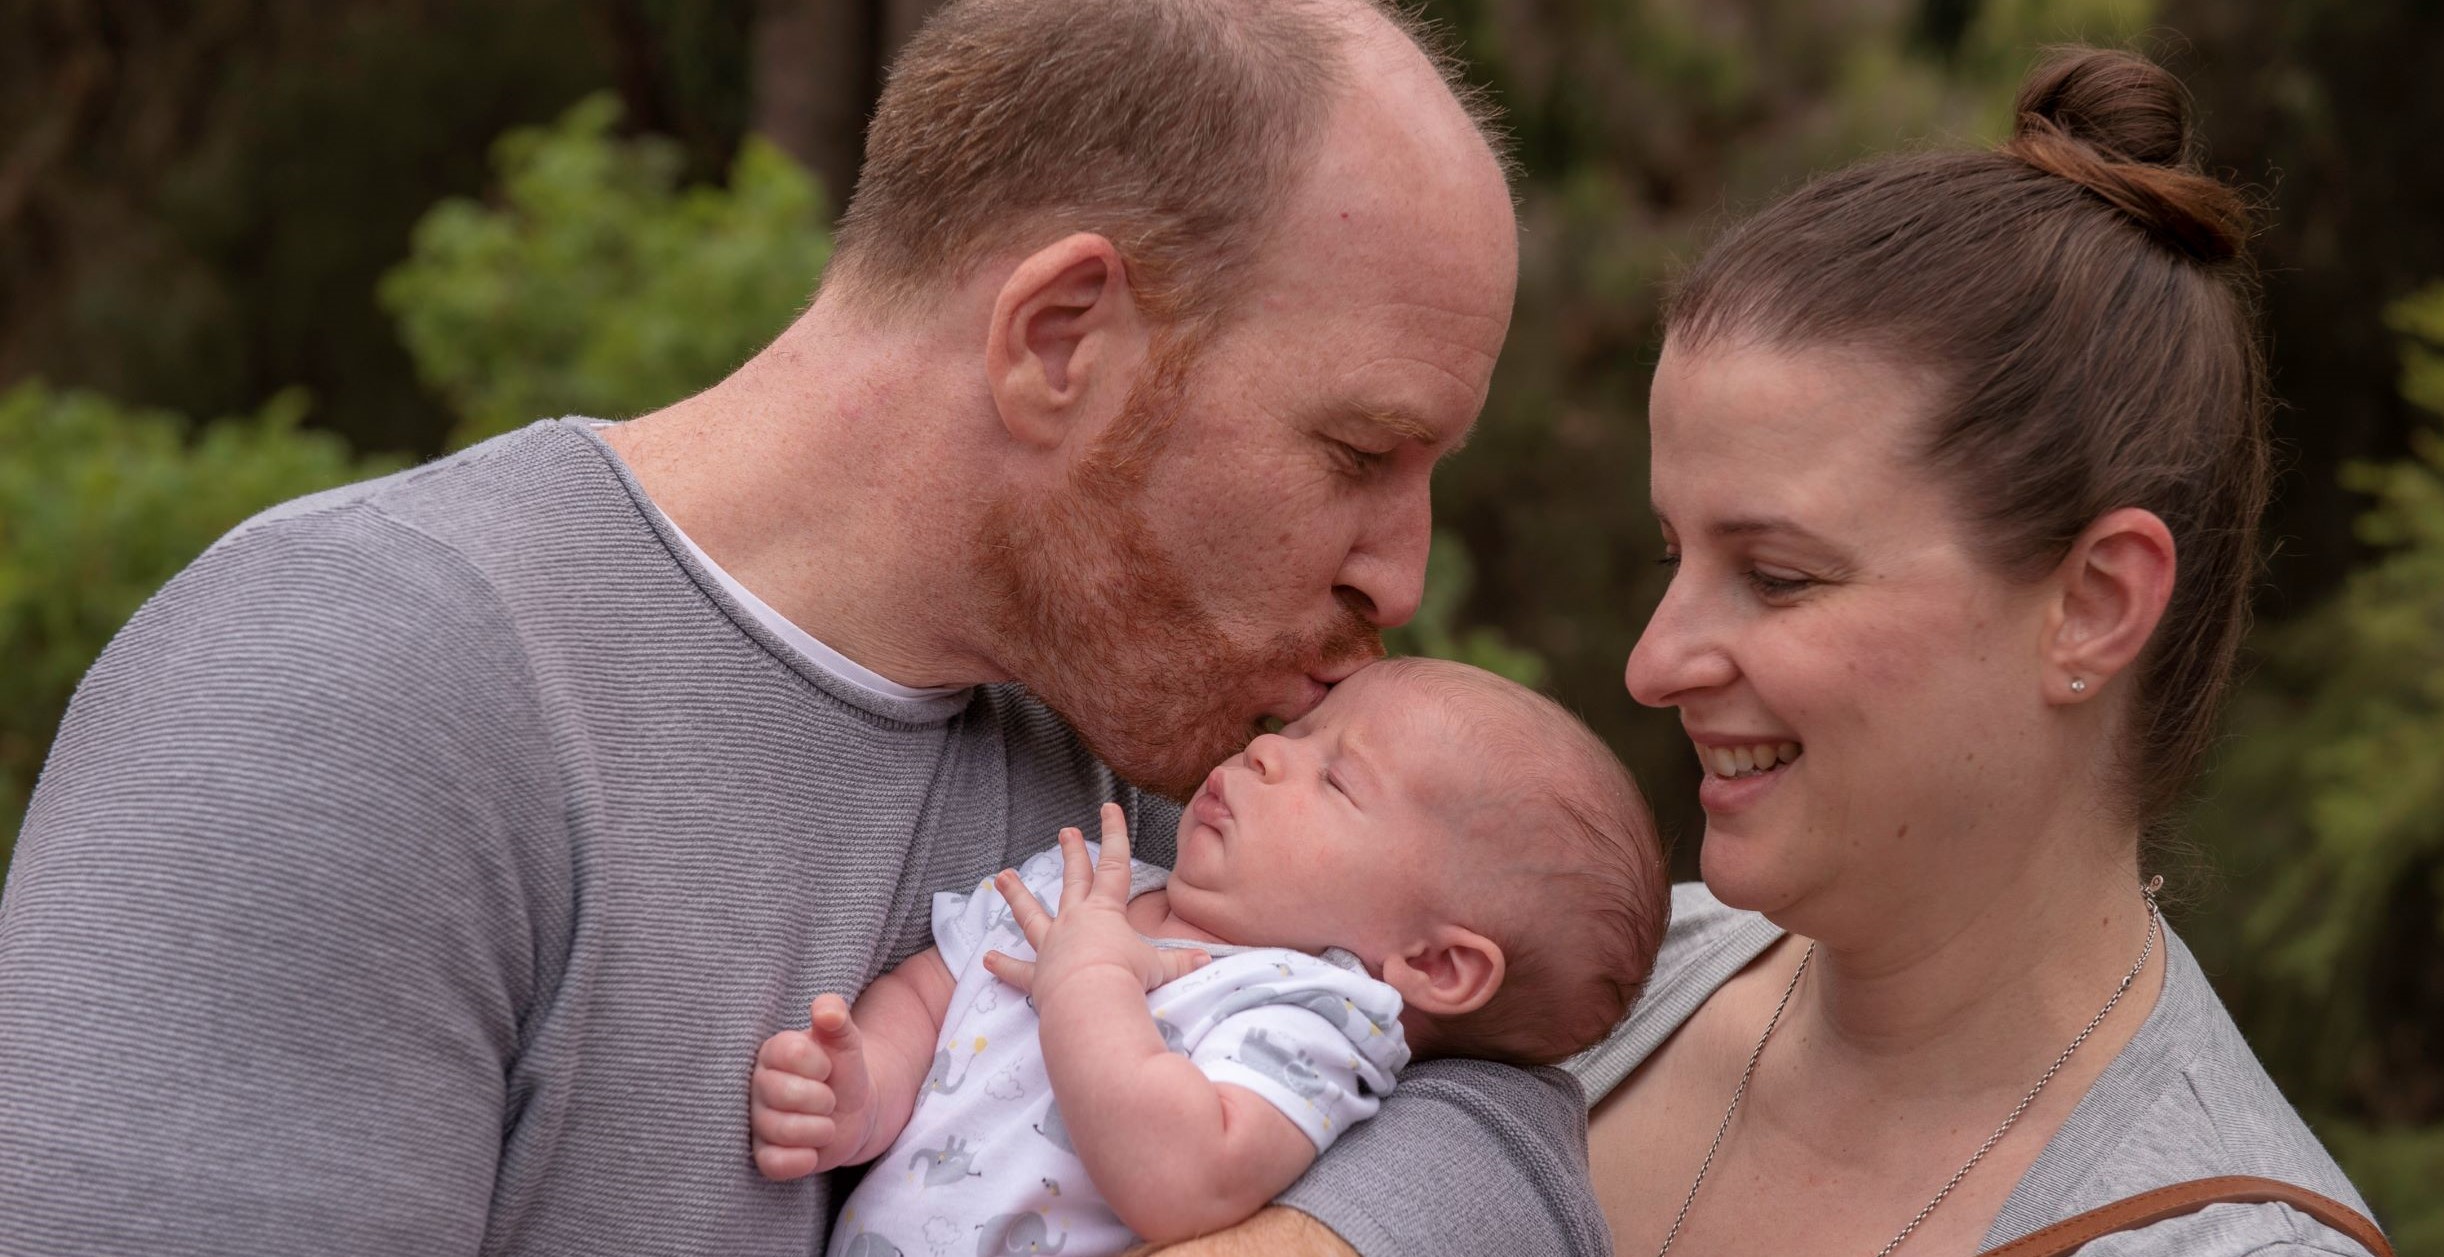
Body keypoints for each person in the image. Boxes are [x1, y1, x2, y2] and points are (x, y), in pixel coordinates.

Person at [0, 2, 1615, 1254]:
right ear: (1062, 336)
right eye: (1355, 454)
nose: (1398, 578)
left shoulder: (1194, 763)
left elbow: (1507, 1088)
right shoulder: (353, 690)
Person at [1575, 48, 2384, 1257]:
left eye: (1777, 577)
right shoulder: (1575, 988)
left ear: (2094, 605)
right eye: (1668, 557)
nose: (1653, 664)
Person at [748, 658, 1666, 1256]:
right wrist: (864, 1087)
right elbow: (936, 990)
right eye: (1298, 734)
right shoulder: (1094, 884)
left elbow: (1178, 1177)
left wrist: (1091, 979)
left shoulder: (1311, 1018)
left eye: (1336, 777)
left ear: (1436, 965)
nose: (1267, 751)